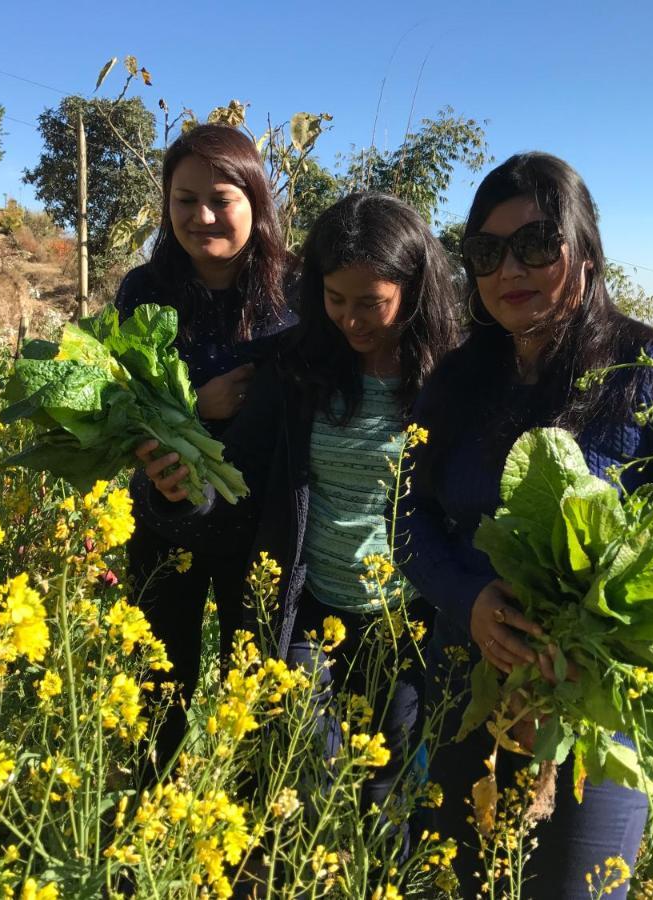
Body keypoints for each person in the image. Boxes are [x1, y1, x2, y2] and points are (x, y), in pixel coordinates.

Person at [398, 153, 653, 898]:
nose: (509, 269)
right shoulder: (456, 383)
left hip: (596, 722)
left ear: (584, 250)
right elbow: (408, 521)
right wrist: (471, 602)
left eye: (536, 243)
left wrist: (589, 658)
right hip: (464, 700)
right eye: (486, 252)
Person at [136, 192, 461, 816]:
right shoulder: (293, 368)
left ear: (415, 290)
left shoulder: (452, 380)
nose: (350, 321)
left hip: (406, 620)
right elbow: (243, 485)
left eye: (371, 304)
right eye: (334, 301)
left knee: (386, 787)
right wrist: (183, 494)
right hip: (307, 608)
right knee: (304, 776)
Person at [115, 123, 295, 773]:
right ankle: (143, 828)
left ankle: (247, 852)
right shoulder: (145, 290)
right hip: (167, 517)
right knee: (161, 683)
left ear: (256, 199)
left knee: (254, 692)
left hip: (264, 529)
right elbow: (121, 406)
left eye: (221, 198)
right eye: (184, 200)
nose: (202, 216)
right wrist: (198, 404)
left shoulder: (296, 292)